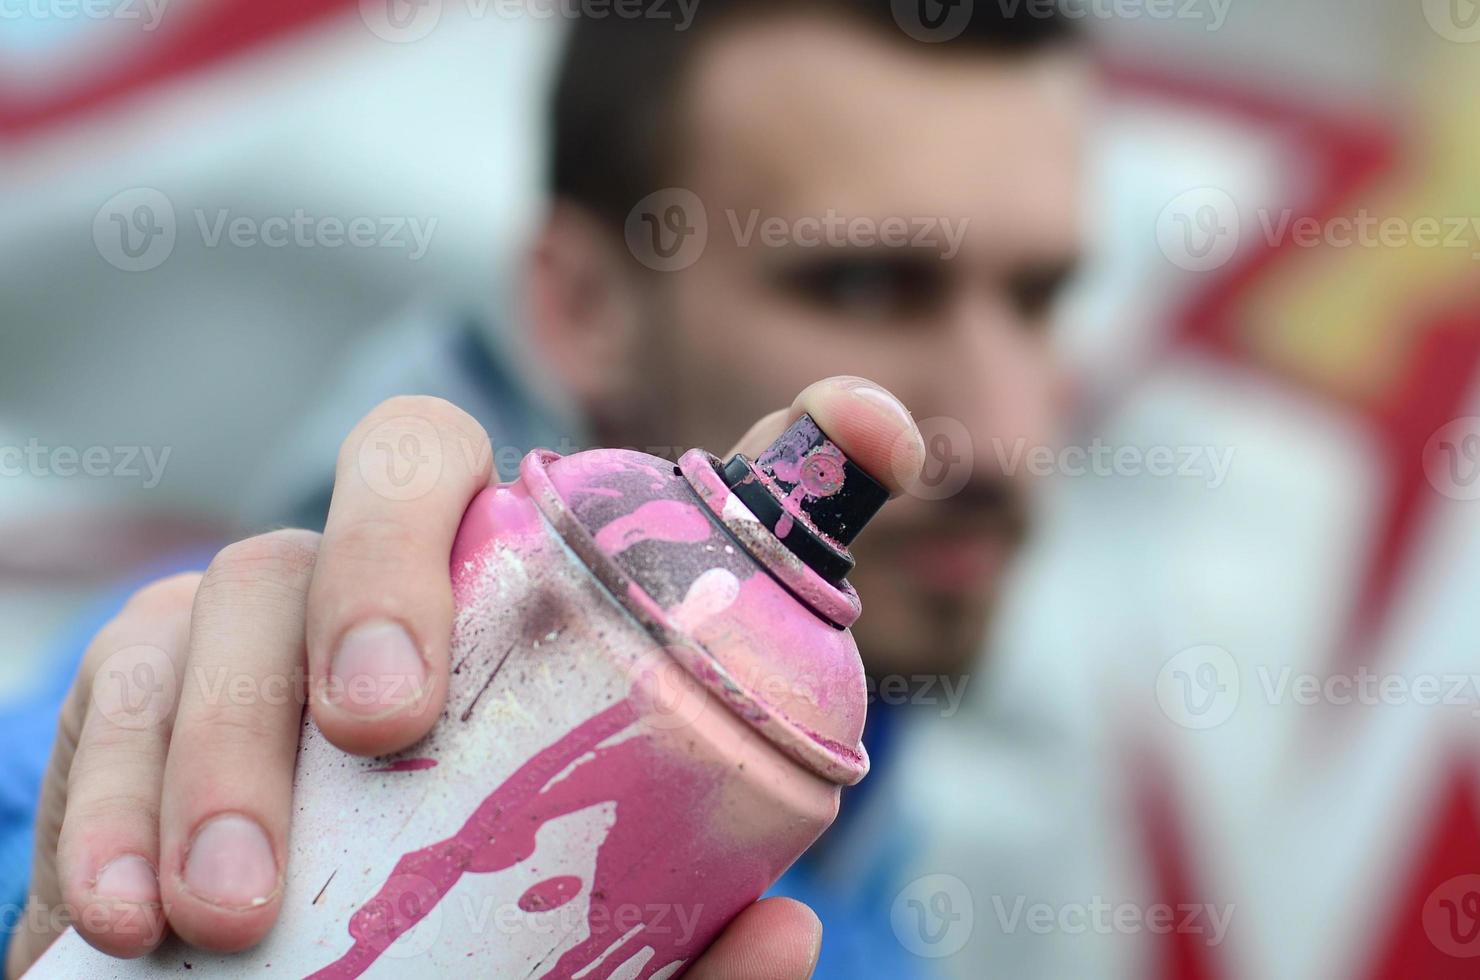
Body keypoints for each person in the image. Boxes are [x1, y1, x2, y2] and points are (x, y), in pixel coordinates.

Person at [4, 1, 1088, 975]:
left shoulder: (866, 822)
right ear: (581, 308)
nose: (997, 433)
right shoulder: (227, 708)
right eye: (862, 286)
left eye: (1039, 299)